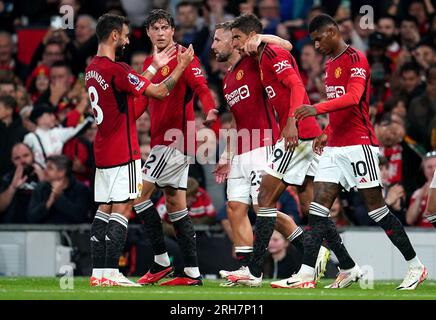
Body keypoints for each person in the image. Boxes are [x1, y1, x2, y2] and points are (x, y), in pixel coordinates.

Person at [289, 14, 427, 290]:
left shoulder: (356, 59)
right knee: (317, 209)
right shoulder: (331, 64)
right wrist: (326, 132)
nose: (316, 46)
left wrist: (316, 109)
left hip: (359, 144)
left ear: (331, 32)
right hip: (334, 147)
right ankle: (310, 272)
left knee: (377, 211)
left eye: (318, 39)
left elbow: (353, 98)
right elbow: (340, 108)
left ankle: (415, 266)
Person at [223, 14, 351, 288]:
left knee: (265, 199)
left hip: (297, 134)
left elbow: (296, 84)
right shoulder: (260, 57)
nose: (234, 44)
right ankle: (348, 267)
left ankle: (255, 272)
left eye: (236, 38)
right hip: (304, 133)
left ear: (250, 36)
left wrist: (291, 122)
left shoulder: (269, 52)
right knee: (310, 207)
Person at [86, 13, 194, 287]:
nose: (125, 39)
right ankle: (112, 272)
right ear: (113, 36)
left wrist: (154, 65)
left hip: (102, 148)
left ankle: (98, 272)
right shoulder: (117, 69)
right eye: (123, 35)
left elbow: (132, 88)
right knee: (122, 209)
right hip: (123, 149)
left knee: (104, 209)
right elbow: (157, 92)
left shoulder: (92, 69)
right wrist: (180, 67)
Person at [132, 9, 218, 287]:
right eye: (154, 28)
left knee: (138, 197)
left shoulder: (184, 57)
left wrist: (211, 110)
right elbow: (140, 105)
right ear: (148, 33)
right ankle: (192, 273)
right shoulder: (150, 62)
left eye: (164, 28)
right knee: (175, 206)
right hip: (164, 141)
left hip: (175, 141)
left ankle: (161, 261)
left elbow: (202, 88)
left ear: (172, 31)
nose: (160, 33)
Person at [27, 155, 91, 224]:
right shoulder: (40, 188)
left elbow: (80, 216)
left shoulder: (81, 189)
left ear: (62, 172)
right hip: (45, 233)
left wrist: (58, 197)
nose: (45, 170)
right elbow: (31, 218)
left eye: (50, 168)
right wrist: (48, 203)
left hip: (73, 233)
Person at [0, 143, 45, 223]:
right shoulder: (7, 179)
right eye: (17, 158)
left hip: (42, 228)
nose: (22, 161)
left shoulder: (47, 175)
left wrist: (43, 182)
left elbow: (56, 206)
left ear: (33, 155)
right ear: (12, 161)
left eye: (26, 155)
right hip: (14, 228)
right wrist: (12, 187)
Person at [407, 152, 436, 227]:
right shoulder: (418, 193)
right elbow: (409, 220)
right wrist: (420, 197)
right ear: (424, 170)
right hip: (421, 235)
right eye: (429, 167)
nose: (433, 170)